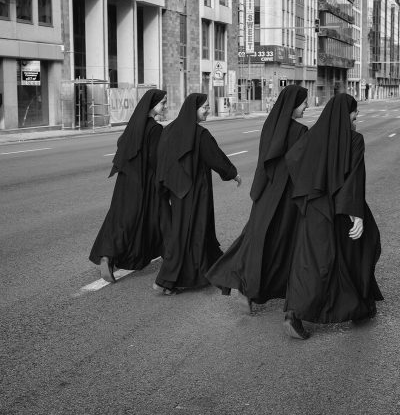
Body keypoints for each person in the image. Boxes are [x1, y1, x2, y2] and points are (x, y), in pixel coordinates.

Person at [283, 93, 383, 339]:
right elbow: (354, 178)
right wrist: (356, 214)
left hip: (315, 208)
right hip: (340, 209)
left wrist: (308, 191)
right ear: (345, 114)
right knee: (361, 247)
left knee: (314, 261)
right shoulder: (354, 139)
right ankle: (360, 305)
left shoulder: (313, 136)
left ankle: (295, 313)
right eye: (354, 114)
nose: (356, 118)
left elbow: (292, 158)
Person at [206, 85, 309, 311]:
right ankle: (279, 289)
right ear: (293, 105)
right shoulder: (300, 132)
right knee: (283, 242)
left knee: (255, 238)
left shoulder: (270, 125)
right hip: (287, 197)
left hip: (265, 193)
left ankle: (245, 285)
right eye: (303, 103)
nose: (307, 106)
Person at [153, 93, 242, 295]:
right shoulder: (200, 134)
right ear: (193, 110)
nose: (208, 110)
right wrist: (233, 173)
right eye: (205, 107)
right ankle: (165, 280)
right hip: (196, 191)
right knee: (190, 232)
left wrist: (166, 185)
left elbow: (162, 158)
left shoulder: (169, 130)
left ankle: (207, 270)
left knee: (191, 231)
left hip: (176, 191)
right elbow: (215, 158)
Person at [89, 89, 168, 283]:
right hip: (144, 181)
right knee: (156, 217)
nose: (165, 106)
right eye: (163, 103)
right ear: (152, 105)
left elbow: (122, 145)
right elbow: (155, 159)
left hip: (125, 180)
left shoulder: (134, 125)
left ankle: (107, 256)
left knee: (119, 218)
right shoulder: (155, 128)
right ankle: (174, 256)